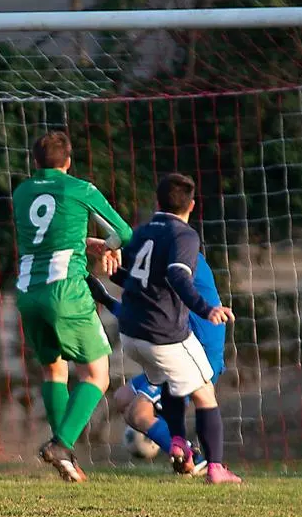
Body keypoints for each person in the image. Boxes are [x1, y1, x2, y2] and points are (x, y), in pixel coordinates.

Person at [12, 130, 132, 483]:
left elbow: (49, 233)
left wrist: (85, 241)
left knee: (54, 371)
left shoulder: (22, 192)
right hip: (65, 291)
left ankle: (64, 456)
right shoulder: (81, 188)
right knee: (97, 374)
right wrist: (107, 243)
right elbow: (124, 233)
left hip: (27, 290)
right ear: (68, 162)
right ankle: (62, 444)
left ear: (36, 162)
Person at [114, 172, 240, 484]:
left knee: (135, 410)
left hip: (192, 342)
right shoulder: (179, 241)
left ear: (156, 202)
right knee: (129, 403)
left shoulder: (150, 237)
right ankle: (207, 463)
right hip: (169, 337)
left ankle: (191, 454)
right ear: (192, 206)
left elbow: (170, 281)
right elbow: (168, 280)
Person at [86, 251, 226, 475]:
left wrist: (114, 271)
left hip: (194, 355)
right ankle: (177, 442)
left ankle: (193, 458)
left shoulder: (183, 262)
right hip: (179, 350)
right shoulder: (171, 262)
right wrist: (106, 296)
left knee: (138, 414)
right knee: (122, 398)